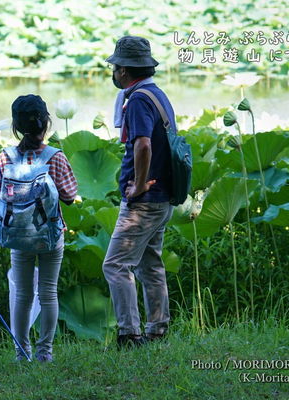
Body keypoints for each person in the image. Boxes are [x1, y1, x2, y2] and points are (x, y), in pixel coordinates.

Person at [0, 94, 77, 362]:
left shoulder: (5, 158)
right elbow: (70, 196)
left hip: (18, 237)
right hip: (49, 235)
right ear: (47, 122)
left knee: (23, 295)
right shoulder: (56, 157)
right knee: (48, 292)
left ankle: (20, 351)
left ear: (16, 126)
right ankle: (44, 353)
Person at [102, 36, 175, 347]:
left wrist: (140, 183)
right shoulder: (157, 94)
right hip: (163, 199)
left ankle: (129, 333)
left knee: (115, 264)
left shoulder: (138, 100)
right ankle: (158, 328)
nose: (113, 72)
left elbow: (143, 144)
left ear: (123, 71)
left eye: (115, 67)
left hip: (144, 202)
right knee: (150, 263)